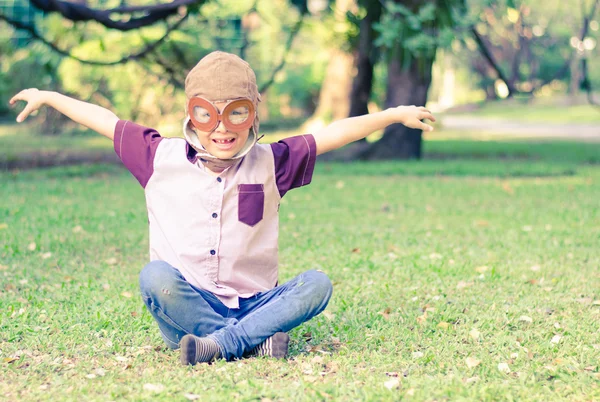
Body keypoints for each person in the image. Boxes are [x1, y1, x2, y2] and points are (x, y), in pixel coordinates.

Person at [9, 51, 435, 365]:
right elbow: (105, 120)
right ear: (192, 116)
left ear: (252, 116)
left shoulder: (273, 162)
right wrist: (49, 96)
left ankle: (217, 346)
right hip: (189, 305)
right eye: (208, 115)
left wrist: (393, 114)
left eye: (236, 114)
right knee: (154, 276)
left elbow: (334, 133)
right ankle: (251, 342)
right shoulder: (158, 156)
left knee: (317, 284)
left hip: (255, 301)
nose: (221, 129)